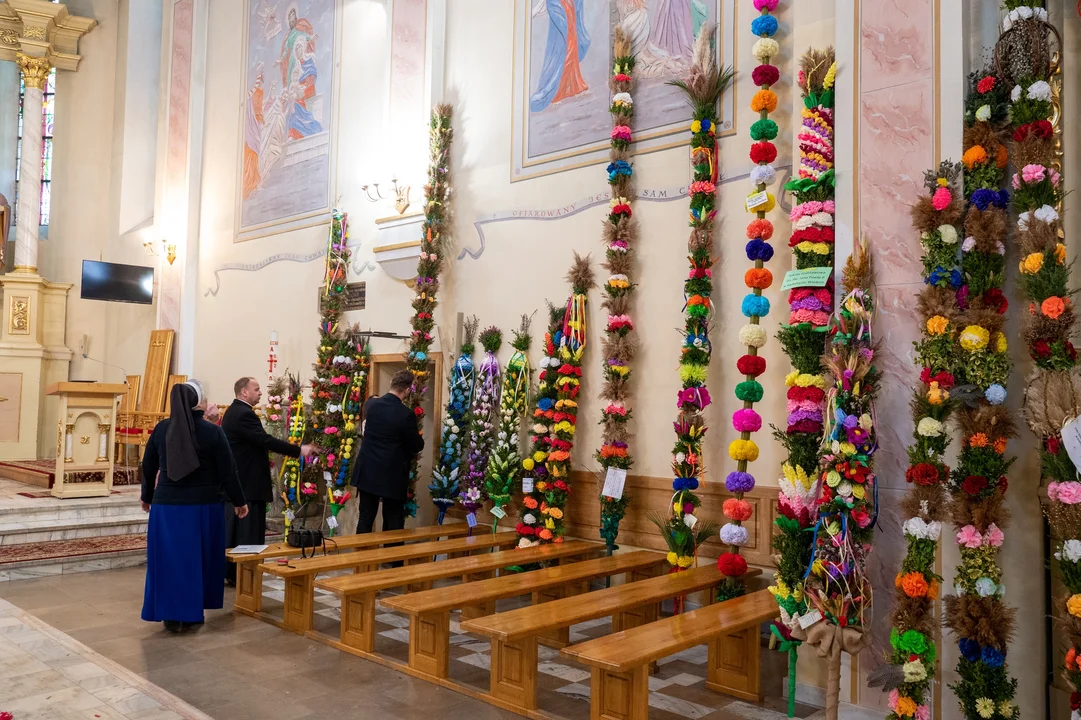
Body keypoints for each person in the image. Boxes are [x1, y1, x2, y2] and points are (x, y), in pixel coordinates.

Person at [141, 382, 248, 633]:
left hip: (166, 508)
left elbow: (148, 466)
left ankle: (170, 614)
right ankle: (190, 613)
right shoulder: (212, 432)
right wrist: (239, 501)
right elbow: (228, 471)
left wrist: (147, 496)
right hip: (203, 506)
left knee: (168, 561)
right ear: (198, 402)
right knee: (197, 560)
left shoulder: (162, 429)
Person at [222, 376, 314, 583]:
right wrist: (298, 450)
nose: (260, 392)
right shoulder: (244, 414)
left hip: (242, 482)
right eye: (256, 389)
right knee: (248, 533)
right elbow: (264, 440)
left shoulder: (233, 411)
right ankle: (244, 576)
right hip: (248, 484)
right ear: (244, 392)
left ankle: (233, 573)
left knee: (236, 531)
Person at [351, 369, 425, 535]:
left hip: (368, 470)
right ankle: (394, 560)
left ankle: (360, 558)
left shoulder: (371, 406)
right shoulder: (406, 415)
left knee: (365, 517)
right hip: (391, 474)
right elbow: (416, 445)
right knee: (393, 519)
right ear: (406, 390)